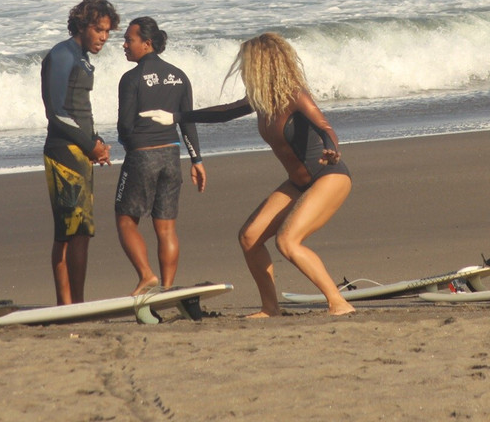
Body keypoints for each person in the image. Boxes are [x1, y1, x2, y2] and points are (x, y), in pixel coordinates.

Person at [145, 32, 354, 317]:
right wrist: (177, 117)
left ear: (261, 64)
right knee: (250, 237)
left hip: (329, 176)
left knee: (287, 241)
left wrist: (332, 149)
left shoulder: (294, 94)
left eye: (246, 64)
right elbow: (223, 113)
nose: (243, 69)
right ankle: (270, 308)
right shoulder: (261, 100)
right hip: (299, 183)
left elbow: (325, 127)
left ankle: (338, 303)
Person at [116, 17, 206, 295]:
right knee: (166, 228)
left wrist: (132, 149)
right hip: (171, 156)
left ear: (147, 43)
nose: (124, 45)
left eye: (129, 40)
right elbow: (186, 121)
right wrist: (197, 160)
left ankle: (146, 276)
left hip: (142, 155)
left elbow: (125, 125)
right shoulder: (179, 75)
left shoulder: (131, 78)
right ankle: (167, 288)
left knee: (125, 218)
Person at [40, 0, 120, 305]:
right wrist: (91, 146)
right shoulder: (62, 55)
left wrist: (96, 142)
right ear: (83, 25)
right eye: (99, 29)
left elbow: (80, 109)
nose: (104, 37)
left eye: (108, 31)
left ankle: (78, 302)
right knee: (69, 230)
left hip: (81, 152)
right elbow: (57, 112)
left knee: (82, 230)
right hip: (63, 153)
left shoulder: (82, 57)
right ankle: (67, 304)